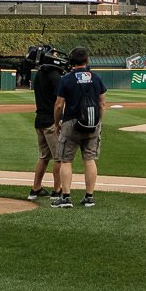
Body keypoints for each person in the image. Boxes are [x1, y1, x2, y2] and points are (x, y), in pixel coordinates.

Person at [52, 47, 106, 208]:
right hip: (92, 123)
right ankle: (89, 197)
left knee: (65, 160)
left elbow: (58, 105)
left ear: (71, 62)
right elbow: (102, 103)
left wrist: (57, 123)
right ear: (87, 60)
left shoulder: (66, 79)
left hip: (71, 123)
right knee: (89, 160)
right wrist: (99, 123)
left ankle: (66, 197)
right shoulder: (96, 78)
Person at [27, 57, 65, 203]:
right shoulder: (55, 76)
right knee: (59, 158)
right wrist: (58, 122)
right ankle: (57, 190)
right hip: (50, 121)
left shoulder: (39, 74)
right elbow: (59, 103)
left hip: (40, 120)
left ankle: (35, 189)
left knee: (43, 157)